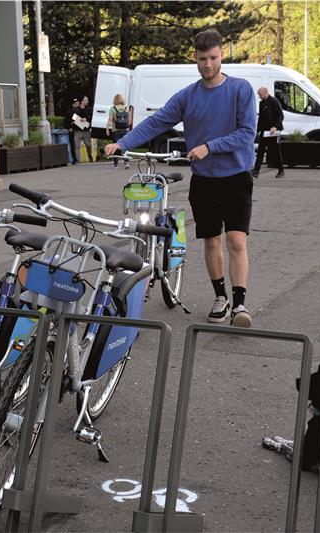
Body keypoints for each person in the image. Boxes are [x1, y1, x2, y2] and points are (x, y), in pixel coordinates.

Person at [104, 29, 257, 327]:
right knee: (211, 240)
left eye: (213, 58)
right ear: (195, 58)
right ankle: (220, 297)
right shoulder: (189, 96)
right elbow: (157, 122)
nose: (208, 65)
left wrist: (209, 146)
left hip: (236, 177)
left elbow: (246, 134)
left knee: (236, 240)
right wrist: (123, 142)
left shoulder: (241, 90)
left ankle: (240, 305)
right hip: (204, 180)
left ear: (222, 54)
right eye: (202, 59)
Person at [252, 87, 285, 179]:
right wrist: (256, 130)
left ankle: (281, 170)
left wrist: (275, 126)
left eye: (260, 94)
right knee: (260, 151)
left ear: (265, 92)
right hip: (264, 131)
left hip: (273, 132)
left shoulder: (274, 101)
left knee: (275, 152)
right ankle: (256, 170)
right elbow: (261, 118)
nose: (259, 96)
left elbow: (280, 115)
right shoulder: (262, 103)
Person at [107, 94, 131, 169]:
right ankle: (126, 162)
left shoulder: (112, 109)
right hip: (125, 130)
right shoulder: (126, 108)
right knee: (125, 146)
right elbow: (129, 121)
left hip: (116, 130)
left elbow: (110, 120)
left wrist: (107, 129)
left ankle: (115, 164)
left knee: (116, 147)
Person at [72, 95, 93, 163]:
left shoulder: (89, 109)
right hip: (77, 130)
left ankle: (90, 155)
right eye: (86, 100)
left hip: (86, 130)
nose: (87, 101)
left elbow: (91, 117)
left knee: (88, 145)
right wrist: (78, 120)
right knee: (77, 145)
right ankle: (78, 159)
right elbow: (72, 118)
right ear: (82, 101)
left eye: (87, 100)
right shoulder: (76, 109)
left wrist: (86, 119)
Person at [67, 98, 80, 164]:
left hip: (78, 130)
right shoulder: (71, 111)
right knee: (73, 144)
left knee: (76, 145)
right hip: (73, 130)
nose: (77, 105)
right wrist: (70, 127)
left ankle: (76, 159)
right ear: (73, 104)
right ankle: (75, 159)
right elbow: (68, 121)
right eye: (75, 104)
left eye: (78, 103)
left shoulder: (80, 110)